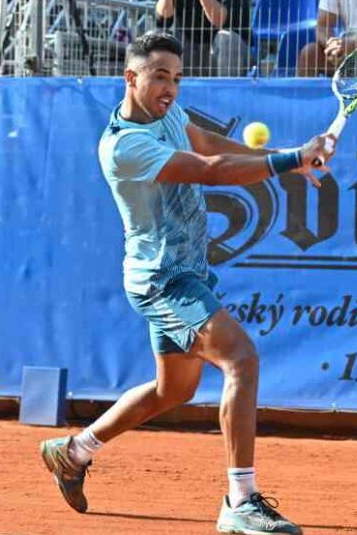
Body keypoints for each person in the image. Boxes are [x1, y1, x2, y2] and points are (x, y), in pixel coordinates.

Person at [38, 31, 335, 535]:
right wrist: (288, 161)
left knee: (171, 390)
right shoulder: (125, 146)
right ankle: (240, 501)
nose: (170, 88)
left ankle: (73, 451)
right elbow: (210, 171)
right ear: (130, 78)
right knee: (240, 358)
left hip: (185, 270)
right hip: (162, 279)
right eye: (159, 77)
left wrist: (293, 156)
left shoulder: (168, 114)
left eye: (176, 78)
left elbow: (207, 143)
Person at [154, 0, 252, 77]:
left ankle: (226, 91)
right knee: (156, 38)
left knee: (226, 39)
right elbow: (163, 20)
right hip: (189, 49)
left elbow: (221, 21)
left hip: (228, 54)